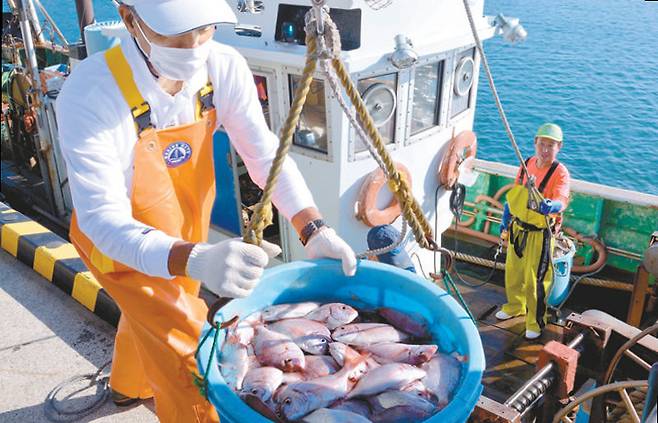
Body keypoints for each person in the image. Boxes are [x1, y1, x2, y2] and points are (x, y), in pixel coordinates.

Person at [55, 1, 357, 421]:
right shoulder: (90, 92)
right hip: (120, 249)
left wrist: (313, 227)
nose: (194, 46)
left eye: (205, 28)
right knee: (191, 362)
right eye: (175, 34)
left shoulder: (223, 65)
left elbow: (264, 153)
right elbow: (101, 218)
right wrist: (194, 258)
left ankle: (127, 387)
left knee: (149, 320)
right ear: (130, 20)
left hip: (187, 231)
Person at [495, 123, 570, 340]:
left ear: (559, 147)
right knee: (514, 272)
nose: (545, 150)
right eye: (542, 144)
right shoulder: (527, 163)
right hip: (518, 228)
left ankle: (535, 322)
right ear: (535, 143)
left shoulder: (560, 172)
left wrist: (553, 206)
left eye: (551, 146)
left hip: (541, 233)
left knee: (536, 279)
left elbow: (562, 199)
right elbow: (517, 191)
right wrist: (506, 216)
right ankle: (514, 306)